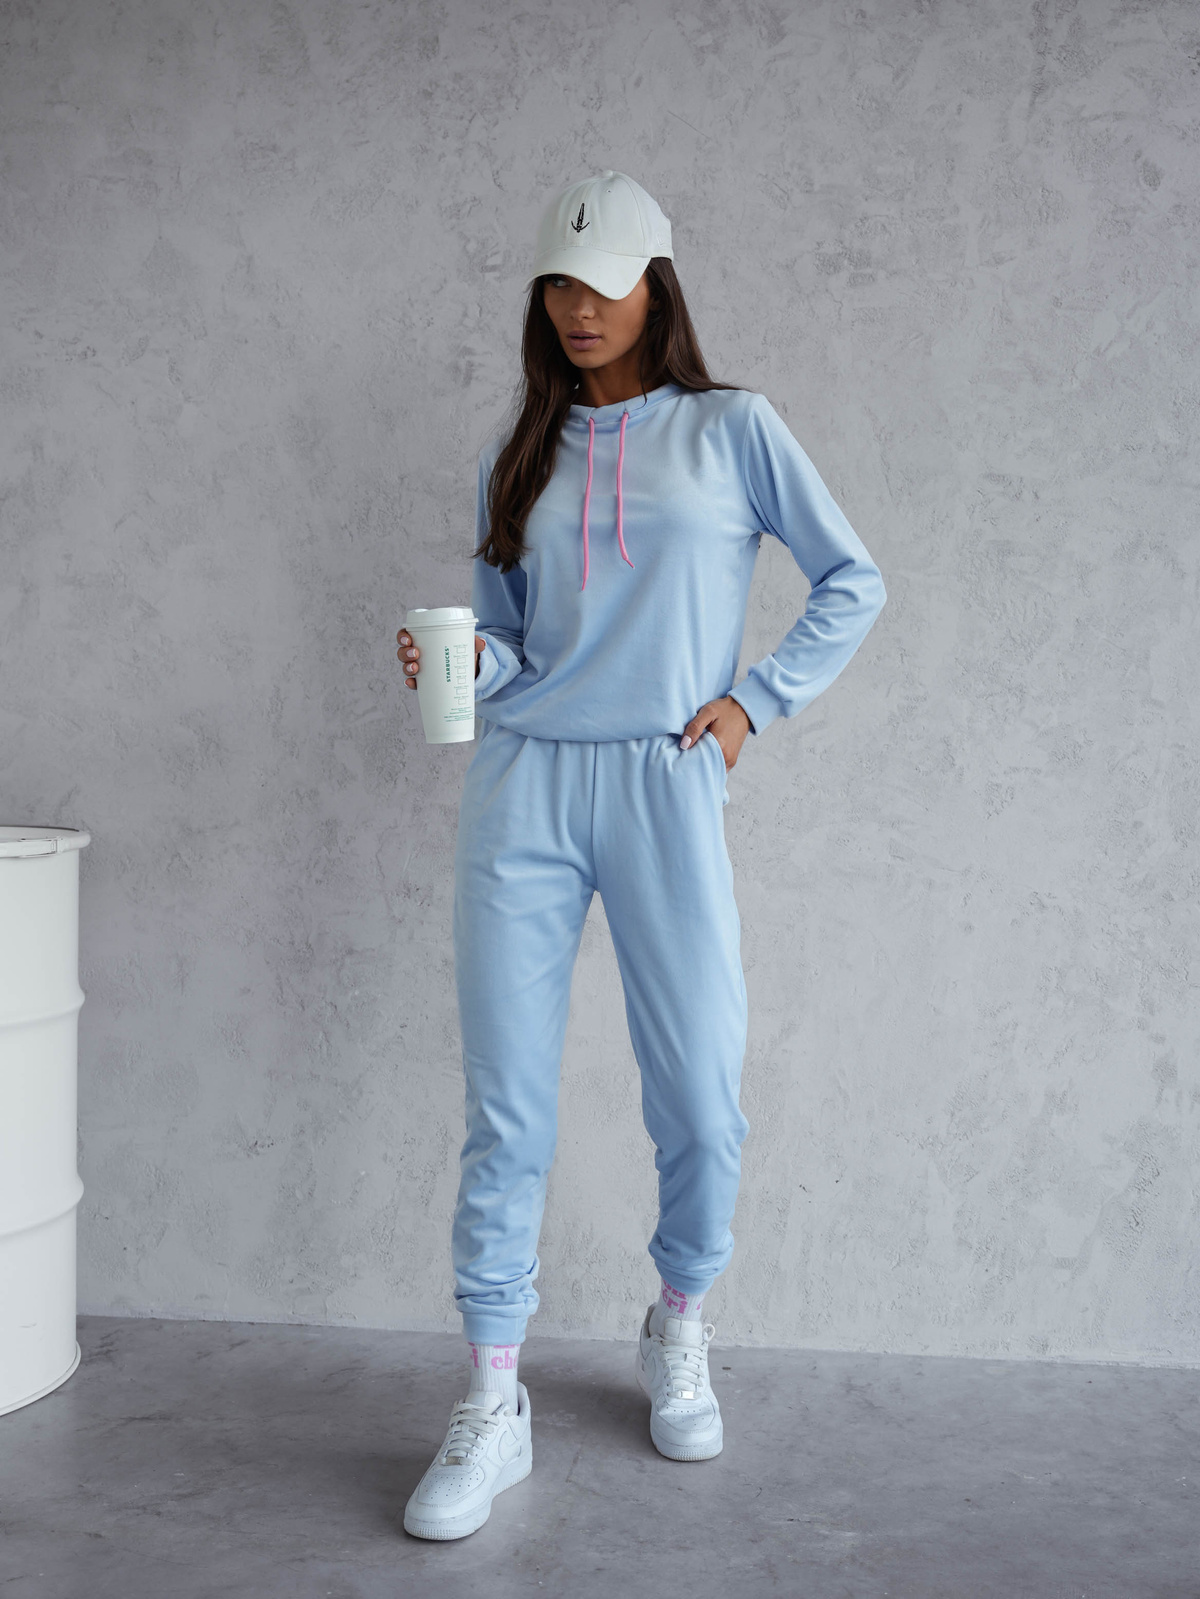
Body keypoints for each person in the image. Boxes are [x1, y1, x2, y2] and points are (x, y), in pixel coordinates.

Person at [397, 169, 886, 1541]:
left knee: (702, 1095)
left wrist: (755, 702)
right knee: (508, 1108)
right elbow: (508, 643)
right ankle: (493, 1395)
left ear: (656, 287)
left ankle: (680, 1315)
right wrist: (461, 666)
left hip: (666, 783)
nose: (579, 307)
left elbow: (853, 578)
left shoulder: (734, 430)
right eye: (558, 284)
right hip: (525, 788)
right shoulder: (519, 450)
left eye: (604, 284)